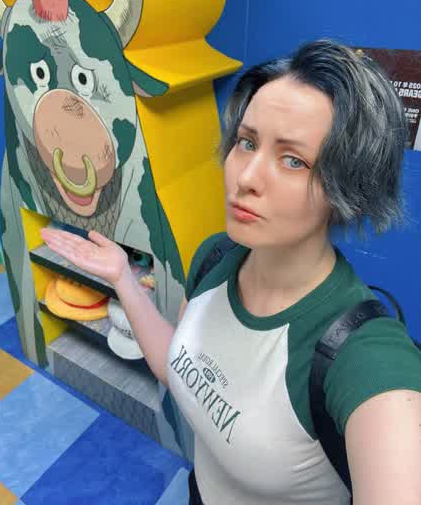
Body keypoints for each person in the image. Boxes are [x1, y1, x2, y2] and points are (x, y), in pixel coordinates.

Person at [41, 39, 421, 505]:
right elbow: (179, 368)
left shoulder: (366, 358)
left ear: (348, 187)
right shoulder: (216, 258)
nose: (245, 177)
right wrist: (123, 277)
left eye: (293, 160)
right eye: (247, 142)